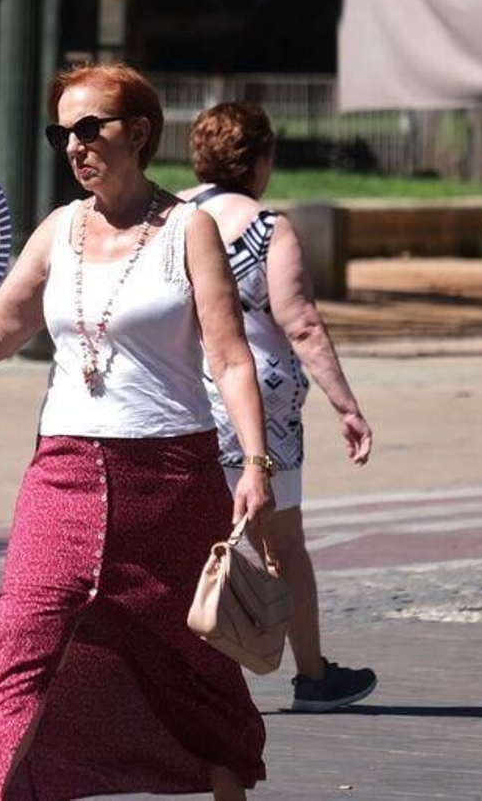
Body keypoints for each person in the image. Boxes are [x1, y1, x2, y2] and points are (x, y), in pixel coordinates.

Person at [0, 63, 275, 799]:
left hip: (171, 478)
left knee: (190, 659)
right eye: (62, 133)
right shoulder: (58, 230)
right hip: (62, 474)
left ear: (139, 132)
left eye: (90, 128)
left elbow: (230, 359)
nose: (74, 145)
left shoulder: (190, 230)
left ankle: (225, 779)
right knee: (20, 643)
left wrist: (255, 464)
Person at [179, 101, 377, 713]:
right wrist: (347, 406)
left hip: (184, 392)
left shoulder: (173, 218)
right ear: (260, 161)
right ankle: (312, 676)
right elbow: (302, 325)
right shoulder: (268, 228)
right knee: (281, 543)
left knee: (191, 537)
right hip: (261, 407)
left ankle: (185, 678)